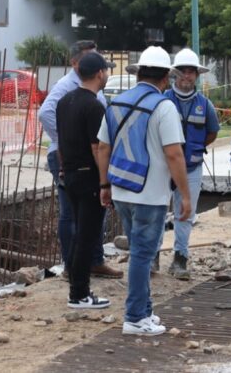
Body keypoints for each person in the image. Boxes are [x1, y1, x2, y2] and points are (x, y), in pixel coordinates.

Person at [95, 46, 191, 336]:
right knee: (141, 255)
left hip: (122, 189)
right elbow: (174, 154)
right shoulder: (164, 107)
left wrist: (104, 184)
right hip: (150, 194)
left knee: (140, 252)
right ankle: (135, 317)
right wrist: (185, 195)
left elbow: (102, 146)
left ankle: (145, 311)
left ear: (138, 73)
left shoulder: (116, 103)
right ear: (165, 78)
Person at [38, 40, 122, 279]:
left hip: (81, 155)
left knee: (92, 213)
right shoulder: (66, 88)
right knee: (72, 214)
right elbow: (45, 113)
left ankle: (92, 261)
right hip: (72, 157)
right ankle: (72, 266)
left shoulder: (90, 91)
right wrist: (68, 141)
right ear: (76, 63)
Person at [56, 52, 115, 309]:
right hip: (88, 177)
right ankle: (79, 293)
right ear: (100, 73)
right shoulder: (94, 106)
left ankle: (76, 286)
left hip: (69, 175)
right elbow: (97, 148)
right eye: (107, 70)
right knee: (86, 237)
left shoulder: (64, 101)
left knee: (80, 232)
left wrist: (62, 169)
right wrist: (105, 183)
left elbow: (59, 141)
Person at [165, 48, 220, 281]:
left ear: (197, 76)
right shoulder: (164, 99)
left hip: (192, 168)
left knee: (185, 213)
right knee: (157, 213)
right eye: (183, 72)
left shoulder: (204, 104)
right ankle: (153, 257)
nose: (187, 76)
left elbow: (212, 133)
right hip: (164, 168)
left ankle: (180, 259)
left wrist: (193, 151)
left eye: (192, 72)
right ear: (175, 75)